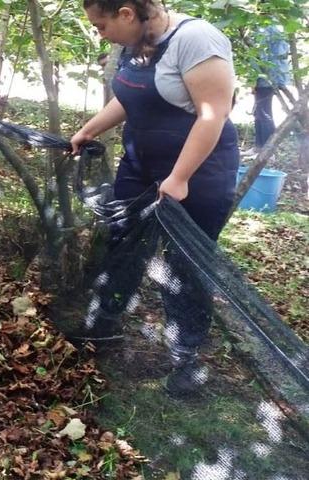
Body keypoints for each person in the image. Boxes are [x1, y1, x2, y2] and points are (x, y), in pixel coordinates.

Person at [69, 0, 239, 396]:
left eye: (100, 25)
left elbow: (213, 114)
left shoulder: (196, 40)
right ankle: (104, 326)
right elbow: (130, 97)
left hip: (199, 176)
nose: (100, 33)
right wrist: (90, 129)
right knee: (123, 246)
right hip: (140, 167)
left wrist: (179, 177)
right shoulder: (139, 39)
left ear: (126, 13)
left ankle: (186, 360)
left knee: (185, 267)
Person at [243, 24, 292, 158]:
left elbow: (261, 57)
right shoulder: (277, 26)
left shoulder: (264, 28)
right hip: (273, 76)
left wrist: (253, 79)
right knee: (260, 111)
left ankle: (267, 151)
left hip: (266, 77)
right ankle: (259, 147)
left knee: (263, 113)